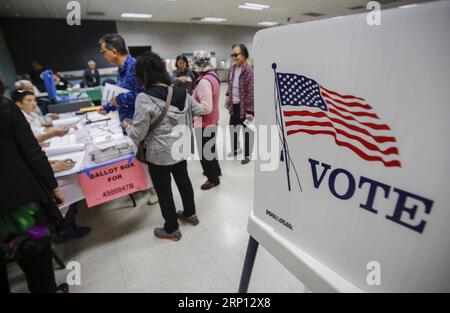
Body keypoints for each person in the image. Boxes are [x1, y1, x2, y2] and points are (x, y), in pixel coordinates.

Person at [0, 77, 68, 293]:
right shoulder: (5, 109)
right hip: (21, 204)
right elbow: (32, 153)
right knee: (38, 264)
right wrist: (52, 186)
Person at [126, 51, 203, 241]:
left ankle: (171, 229)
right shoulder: (181, 91)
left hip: (158, 155)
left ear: (143, 75)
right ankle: (190, 213)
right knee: (184, 182)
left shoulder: (144, 98)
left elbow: (138, 134)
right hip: (180, 148)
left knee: (164, 191)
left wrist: (129, 127)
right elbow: (199, 110)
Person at [191, 51, 222, 190]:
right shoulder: (213, 76)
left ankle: (212, 179)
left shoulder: (204, 82)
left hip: (204, 122)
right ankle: (216, 171)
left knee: (205, 154)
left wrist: (191, 107)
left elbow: (206, 107)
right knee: (211, 149)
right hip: (212, 120)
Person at [97, 33, 140, 122]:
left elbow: (142, 97)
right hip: (126, 121)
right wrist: (108, 107)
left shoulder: (135, 67)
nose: (103, 56)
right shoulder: (120, 70)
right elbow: (120, 93)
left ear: (114, 52)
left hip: (138, 122)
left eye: (103, 52)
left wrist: (118, 99)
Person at [225, 44, 255, 165]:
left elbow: (251, 92)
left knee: (247, 131)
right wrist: (228, 97)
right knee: (233, 129)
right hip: (234, 105)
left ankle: (248, 155)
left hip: (246, 107)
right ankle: (236, 149)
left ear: (244, 55)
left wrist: (249, 111)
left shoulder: (248, 71)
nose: (234, 57)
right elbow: (230, 84)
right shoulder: (232, 68)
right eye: (232, 55)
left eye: (236, 54)